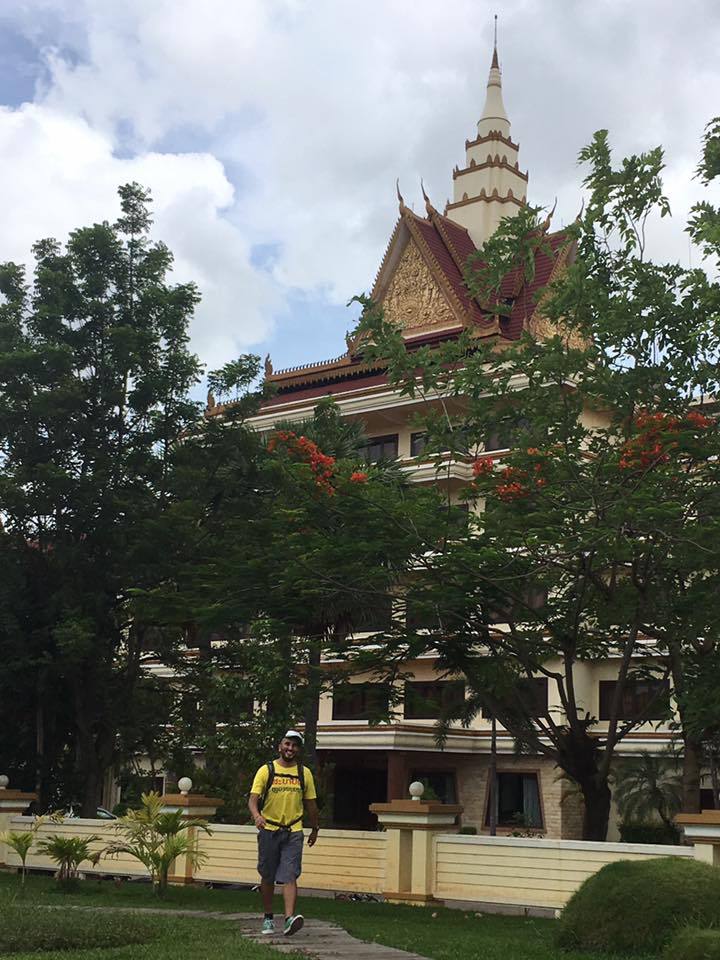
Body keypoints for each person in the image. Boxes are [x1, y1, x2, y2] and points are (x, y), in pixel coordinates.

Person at [248, 729, 319, 936]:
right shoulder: (266, 770)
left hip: (293, 830)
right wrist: (257, 816)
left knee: (290, 874)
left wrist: (315, 828)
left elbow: (311, 804)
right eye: (287, 744)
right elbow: (252, 800)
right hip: (269, 829)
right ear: (280, 746)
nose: (290, 748)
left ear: (298, 749)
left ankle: (289, 919)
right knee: (268, 875)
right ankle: (268, 917)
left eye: (294, 745)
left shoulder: (304, 773)